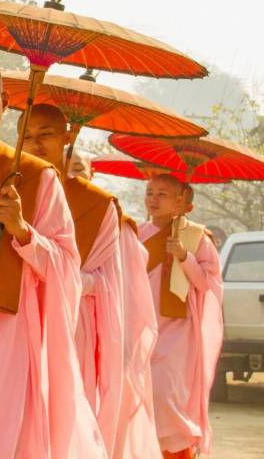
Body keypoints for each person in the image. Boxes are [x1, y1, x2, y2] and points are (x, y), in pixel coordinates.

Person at [0, 58, 105, 459]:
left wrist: (22, 230)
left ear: (5, 103)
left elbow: (68, 265)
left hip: (0, 330)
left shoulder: (35, 176)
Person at [20, 104, 160, 458]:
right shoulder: (8, 186)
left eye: (45, 135)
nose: (35, 145)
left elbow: (108, 283)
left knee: (62, 424)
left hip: (70, 327)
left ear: (68, 138)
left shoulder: (98, 206)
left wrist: (50, 265)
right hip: (13, 321)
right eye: (27, 135)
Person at [139, 174, 223, 459]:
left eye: (162, 194)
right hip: (140, 327)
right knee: (138, 400)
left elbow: (209, 288)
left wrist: (185, 256)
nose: (153, 199)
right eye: (150, 192)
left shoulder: (197, 238)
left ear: (181, 201)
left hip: (178, 333)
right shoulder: (136, 232)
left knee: (167, 400)